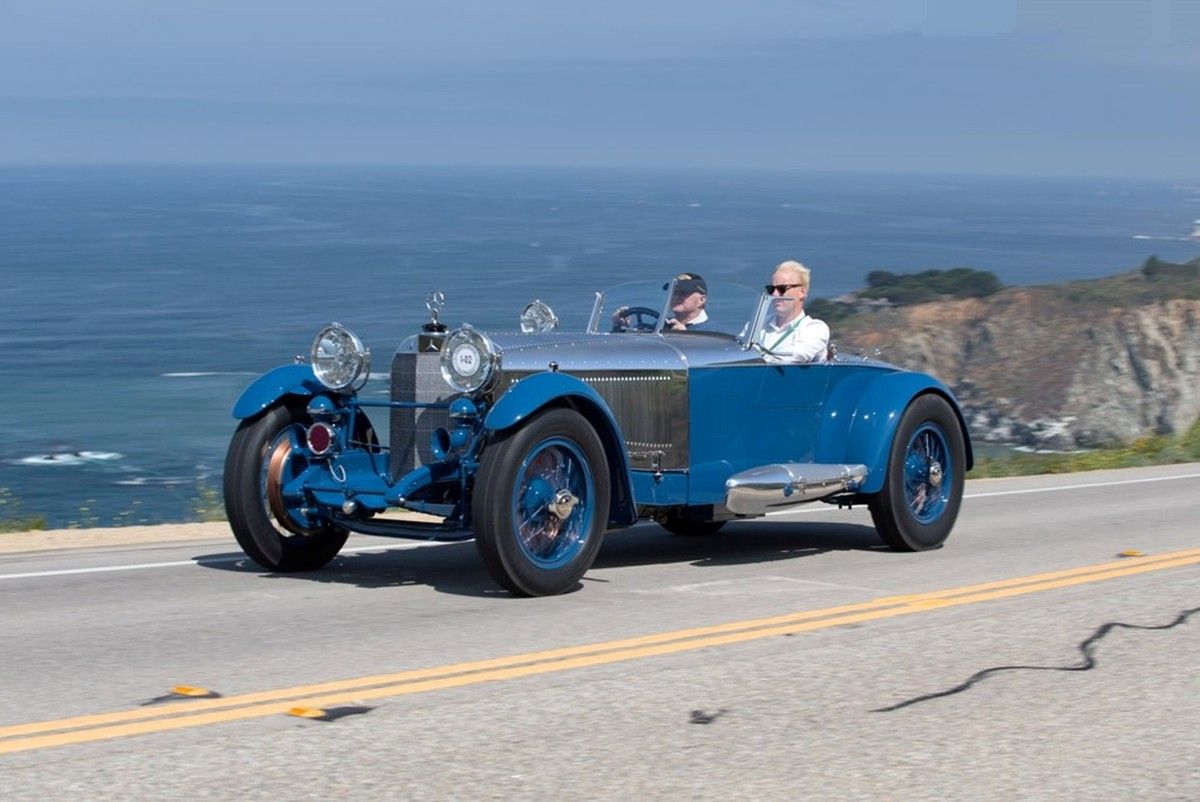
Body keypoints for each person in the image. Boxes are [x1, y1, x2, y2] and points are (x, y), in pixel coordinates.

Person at [757, 260, 829, 362]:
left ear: (802, 292)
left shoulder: (814, 328)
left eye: (782, 288)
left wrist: (756, 359)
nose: (775, 294)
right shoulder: (758, 325)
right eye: (771, 289)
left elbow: (796, 355)